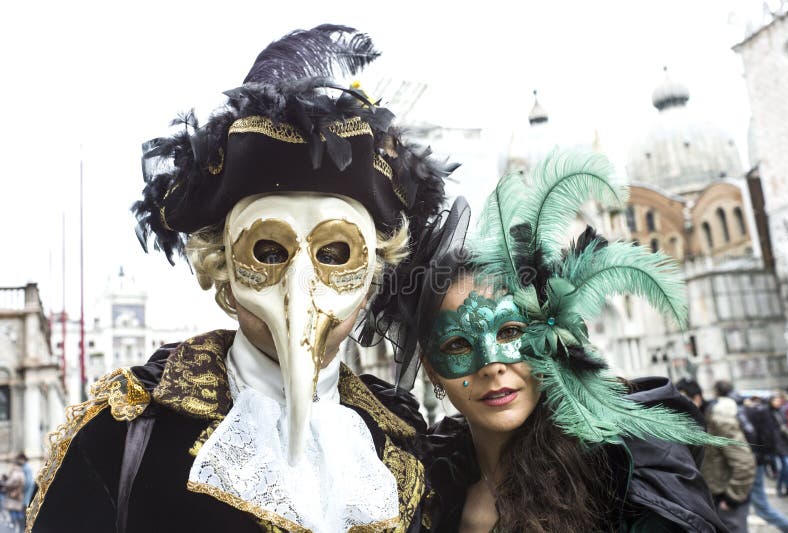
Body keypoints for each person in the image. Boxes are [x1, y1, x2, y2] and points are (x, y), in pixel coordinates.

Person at [27, 25, 455, 533]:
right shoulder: (122, 437)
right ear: (223, 269)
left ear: (370, 279)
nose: (301, 288)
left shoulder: (402, 441)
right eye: (268, 251)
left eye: (335, 254)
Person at [365, 151, 728, 531]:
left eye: (510, 332)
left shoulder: (621, 476)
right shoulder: (425, 488)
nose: (492, 365)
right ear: (431, 369)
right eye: (458, 344)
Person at [698, 381, 756, 533]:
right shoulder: (714, 413)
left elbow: (744, 463)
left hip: (727, 497)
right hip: (717, 494)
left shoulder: (720, 417)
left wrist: (732, 499)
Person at [745, 395, 788, 532]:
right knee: (785, 467)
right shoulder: (766, 412)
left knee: (786, 467)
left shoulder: (773, 411)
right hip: (773, 449)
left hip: (775, 449)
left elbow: (773, 433)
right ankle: (783, 488)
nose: (777, 402)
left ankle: (785, 488)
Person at [4, 455, 26, 531]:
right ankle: (20, 527)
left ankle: (16, 528)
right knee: (17, 512)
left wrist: (4, 484)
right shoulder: (21, 473)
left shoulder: (16, 473)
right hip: (18, 496)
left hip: (13, 496)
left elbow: (11, 483)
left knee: (14, 512)